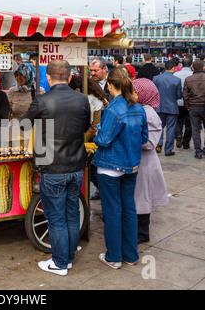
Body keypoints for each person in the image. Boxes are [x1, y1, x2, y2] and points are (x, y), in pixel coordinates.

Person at [22, 59, 90, 276]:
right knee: (71, 214)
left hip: (52, 168)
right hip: (76, 167)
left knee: (56, 218)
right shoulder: (82, 100)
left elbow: (24, 124)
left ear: (48, 78)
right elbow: (86, 126)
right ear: (69, 78)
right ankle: (68, 258)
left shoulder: (42, 100)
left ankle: (60, 263)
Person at [92, 67, 148, 269]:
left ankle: (114, 257)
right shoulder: (139, 108)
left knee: (113, 211)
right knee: (129, 210)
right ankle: (131, 255)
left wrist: (98, 130)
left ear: (109, 85)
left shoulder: (114, 110)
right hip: (131, 165)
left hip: (109, 168)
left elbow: (102, 140)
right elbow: (144, 138)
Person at [132, 78, 169, 244]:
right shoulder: (140, 109)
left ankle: (142, 234)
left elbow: (150, 142)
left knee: (142, 199)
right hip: (139, 161)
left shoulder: (148, 113)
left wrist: (129, 138)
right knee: (138, 198)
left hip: (145, 163)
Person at [69, 74, 108, 201]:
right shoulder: (86, 98)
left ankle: (104, 193)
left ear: (77, 90)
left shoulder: (93, 100)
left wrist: (80, 138)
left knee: (93, 171)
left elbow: (95, 126)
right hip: (87, 140)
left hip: (94, 141)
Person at [153, 60, 182, 156]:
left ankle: (159, 143)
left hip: (159, 107)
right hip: (172, 107)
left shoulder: (156, 78)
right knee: (171, 129)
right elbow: (179, 95)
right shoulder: (177, 80)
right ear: (173, 68)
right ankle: (168, 150)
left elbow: (153, 93)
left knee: (159, 127)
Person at [183, 60, 205, 159]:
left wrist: (188, 106)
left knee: (195, 130)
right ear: (203, 68)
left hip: (194, 107)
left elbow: (185, 95)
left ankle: (198, 152)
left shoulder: (188, 79)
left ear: (193, 68)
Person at [174, 55, 193, 150]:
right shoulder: (193, 75)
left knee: (178, 120)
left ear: (182, 65)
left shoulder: (176, 75)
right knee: (189, 123)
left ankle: (178, 135)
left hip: (178, 102)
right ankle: (186, 143)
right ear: (191, 64)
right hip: (190, 103)